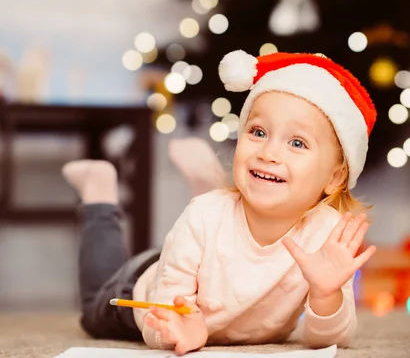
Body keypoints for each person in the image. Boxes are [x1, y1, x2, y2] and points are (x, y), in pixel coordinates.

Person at [62, 50, 378, 355]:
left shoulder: (328, 237)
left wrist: (327, 295)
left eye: (297, 143)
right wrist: (179, 330)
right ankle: (98, 192)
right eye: (257, 132)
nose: (268, 153)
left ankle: (204, 182)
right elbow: (160, 315)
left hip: (203, 261)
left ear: (335, 177)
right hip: (145, 287)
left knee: (210, 223)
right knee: (93, 312)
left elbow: (332, 339)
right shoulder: (204, 215)